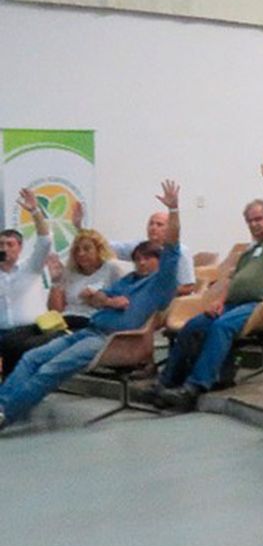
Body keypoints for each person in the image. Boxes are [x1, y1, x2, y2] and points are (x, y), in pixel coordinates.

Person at [0, 182, 182, 429]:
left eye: (148, 258)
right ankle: (2, 404)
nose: (141, 263)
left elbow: (172, 247)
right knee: (31, 358)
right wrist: (108, 300)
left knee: (50, 370)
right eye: (137, 258)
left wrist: (173, 211)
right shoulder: (128, 279)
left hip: (110, 339)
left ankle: (6, 414)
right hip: (88, 330)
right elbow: (98, 298)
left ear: (160, 262)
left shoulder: (161, 284)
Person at [150, 155, 263, 409]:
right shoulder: (250, 251)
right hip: (232, 304)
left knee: (221, 327)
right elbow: (234, 279)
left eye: (259, 218)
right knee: (194, 324)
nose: (254, 224)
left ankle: (194, 387)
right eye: (249, 220)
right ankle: (165, 383)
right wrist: (220, 300)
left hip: (261, 305)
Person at [0, 188, 55, 375]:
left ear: (20, 247)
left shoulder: (31, 267)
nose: (5, 249)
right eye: (1, 245)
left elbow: (45, 241)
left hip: (29, 333)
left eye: (10, 244)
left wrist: (35, 212)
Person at [49, 227, 127, 330]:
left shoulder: (112, 268)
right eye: (77, 250)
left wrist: (97, 298)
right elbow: (56, 311)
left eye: (87, 249)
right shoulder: (70, 272)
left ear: (99, 250)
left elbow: (124, 302)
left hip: (91, 321)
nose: (81, 253)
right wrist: (56, 281)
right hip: (66, 320)